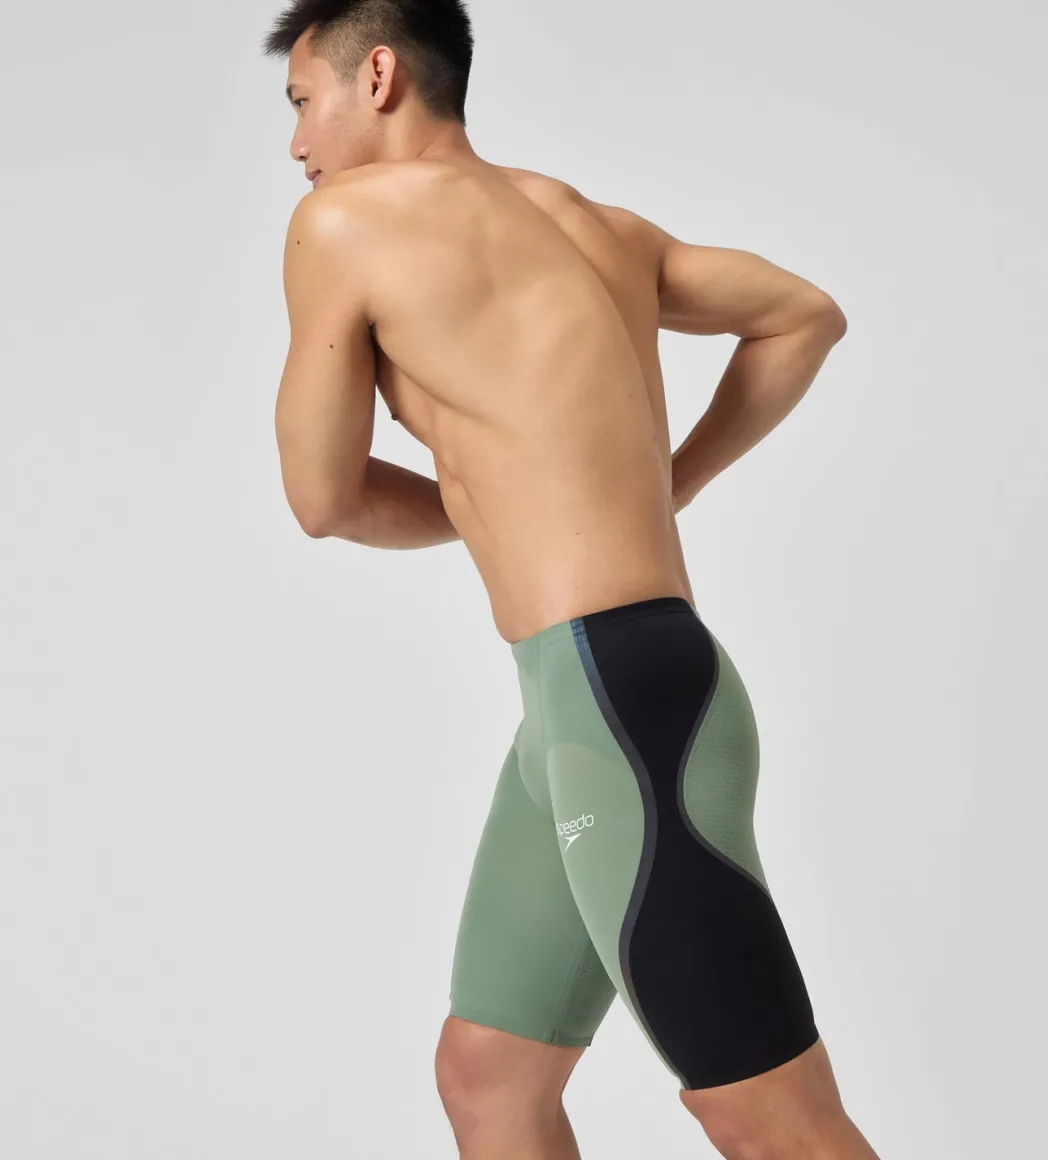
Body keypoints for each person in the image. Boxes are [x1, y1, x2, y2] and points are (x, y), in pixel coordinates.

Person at [263, 3, 875, 1158]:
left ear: (376, 75)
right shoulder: (599, 227)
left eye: (302, 102)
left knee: (770, 1120)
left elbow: (321, 496)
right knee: (489, 1071)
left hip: (613, 710)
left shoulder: (340, 223)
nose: (296, 143)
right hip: (606, 697)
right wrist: (662, 484)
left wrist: (503, 503)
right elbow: (801, 316)